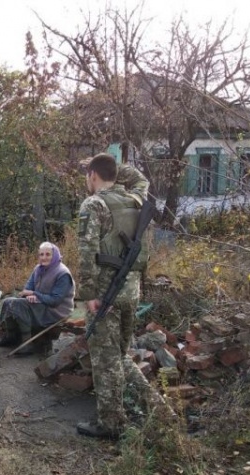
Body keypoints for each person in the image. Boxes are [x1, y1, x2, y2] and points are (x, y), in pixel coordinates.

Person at [75, 154, 169, 439]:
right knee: (119, 355)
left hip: (105, 294)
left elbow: (86, 251)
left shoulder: (94, 204)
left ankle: (111, 423)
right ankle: (159, 408)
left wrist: (89, 294)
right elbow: (142, 180)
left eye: (87, 175)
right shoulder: (136, 200)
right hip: (131, 292)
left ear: (92, 174)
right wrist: (112, 166)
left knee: (106, 361)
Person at [0, 242, 74, 355]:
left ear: (55, 255)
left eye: (48, 254)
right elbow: (27, 288)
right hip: (41, 304)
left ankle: (27, 344)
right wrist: (30, 296)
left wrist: (36, 294)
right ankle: (10, 337)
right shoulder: (38, 269)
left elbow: (55, 301)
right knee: (7, 301)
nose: (44, 257)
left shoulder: (63, 274)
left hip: (55, 311)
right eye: (41, 254)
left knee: (18, 304)